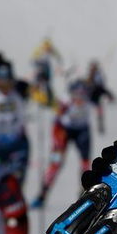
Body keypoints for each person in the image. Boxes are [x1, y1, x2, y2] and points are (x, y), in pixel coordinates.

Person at [33, 78, 94, 209]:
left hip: (82, 130)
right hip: (63, 130)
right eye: (76, 95)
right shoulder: (65, 100)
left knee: (85, 162)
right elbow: (55, 114)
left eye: (82, 95)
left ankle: (84, 193)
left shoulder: (88, 98)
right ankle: (42, 194)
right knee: (56, 162)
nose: (79, 99)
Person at [0, 64, 33, 196]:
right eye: (0, 81)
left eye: (7, 81)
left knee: (16, 183)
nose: (4, 86)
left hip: (17, 143)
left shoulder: (19, 90)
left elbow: (31, 87)